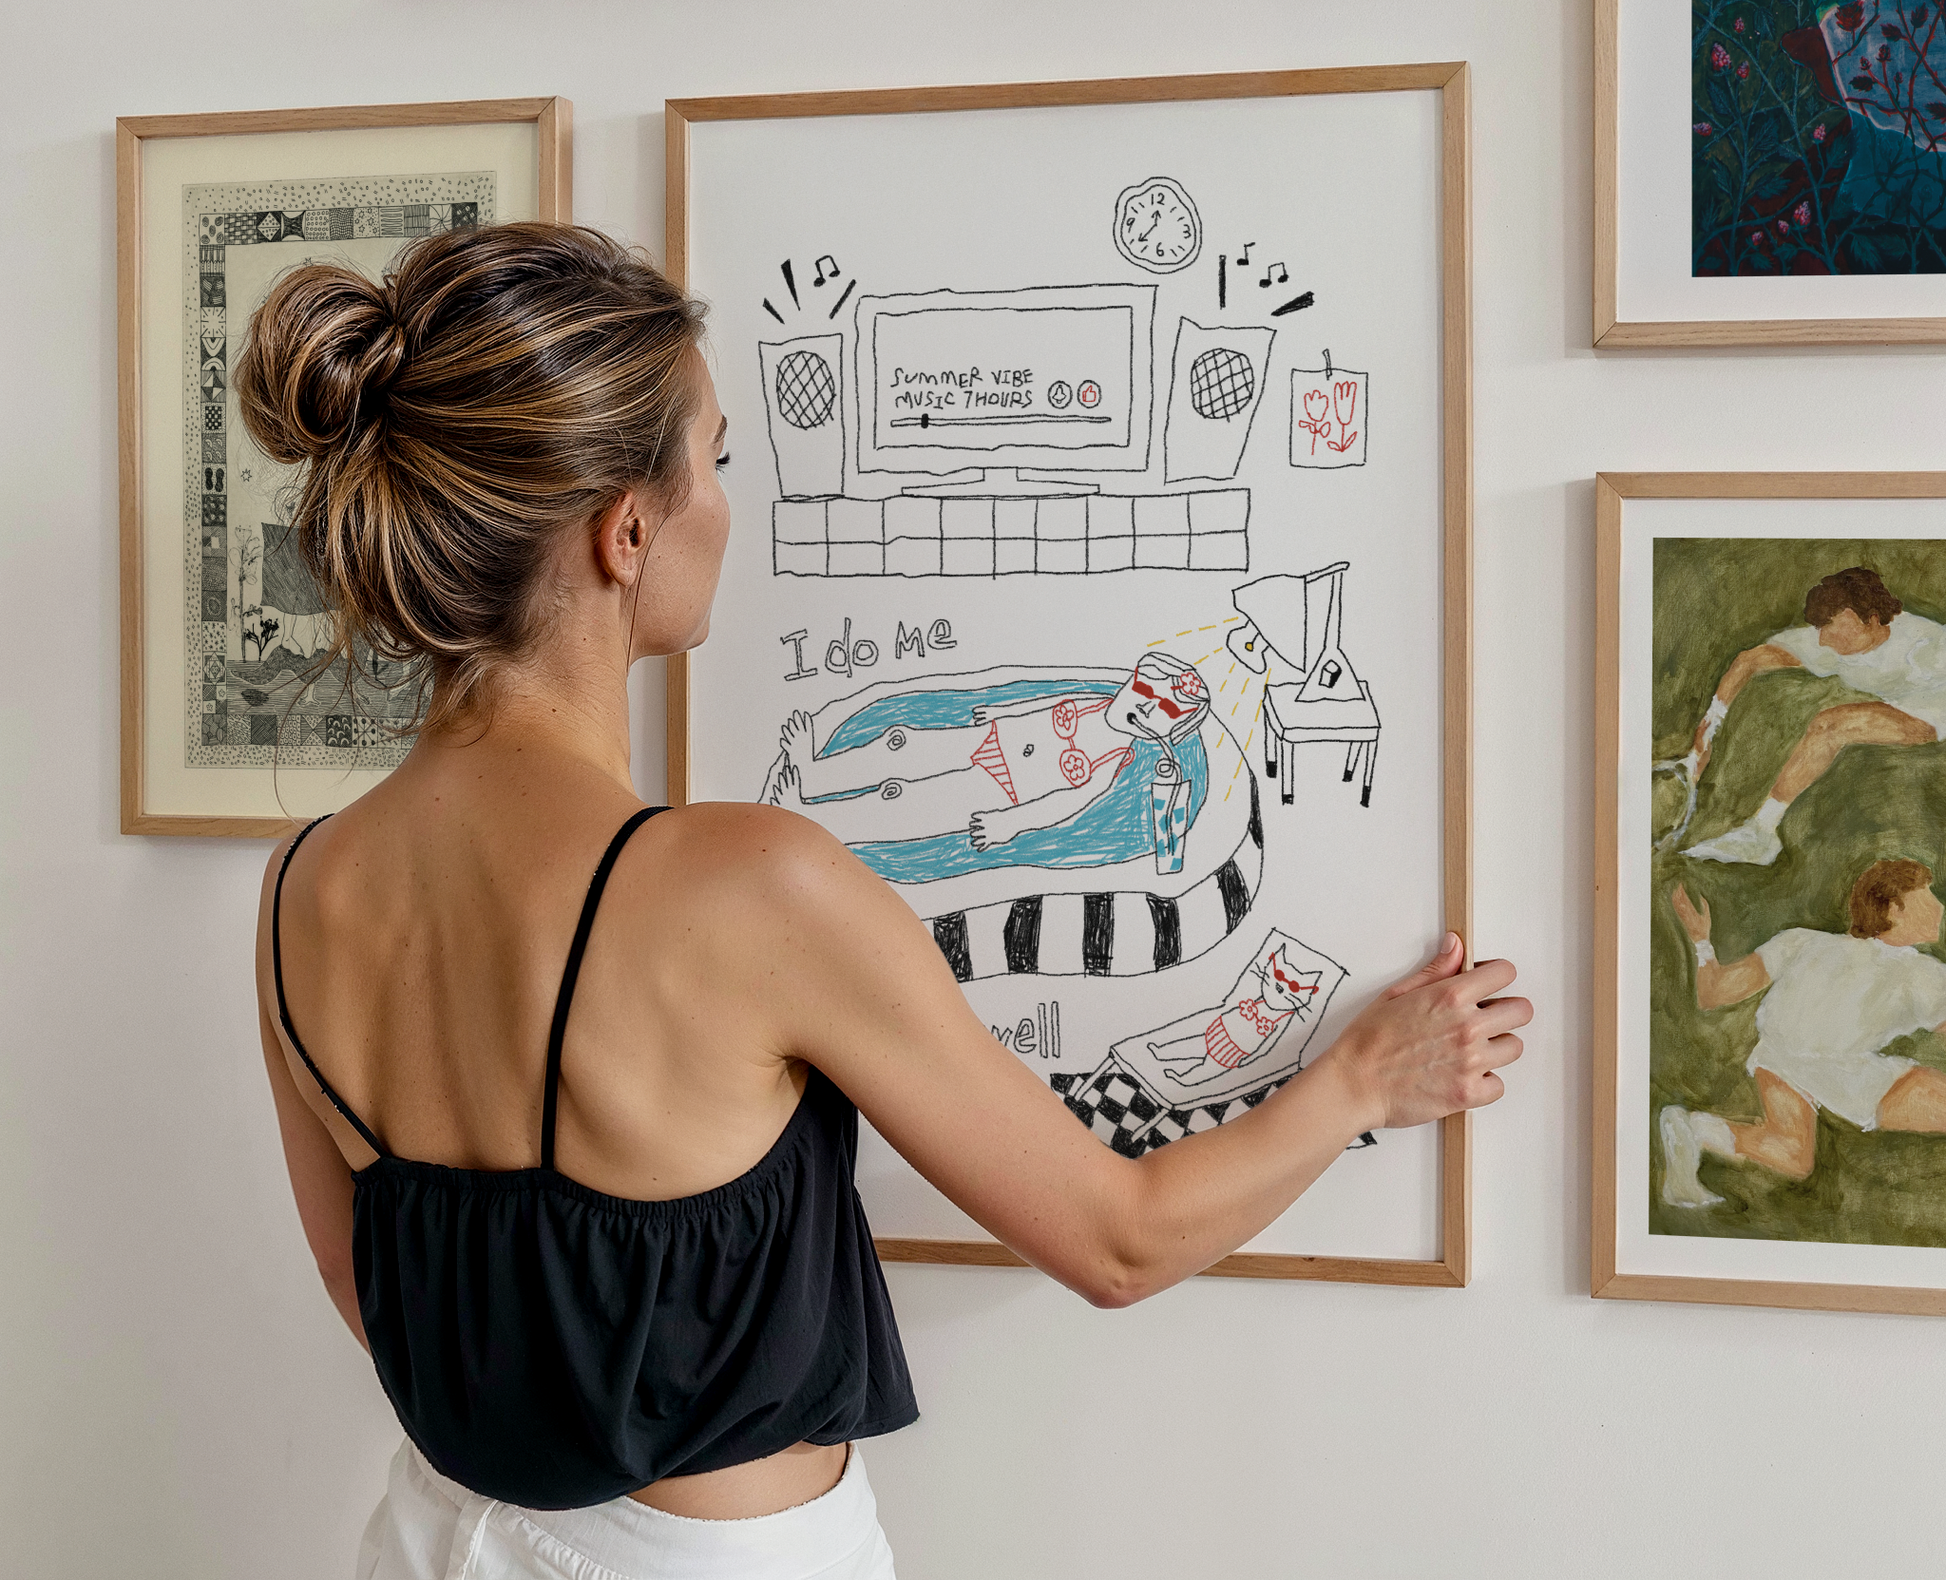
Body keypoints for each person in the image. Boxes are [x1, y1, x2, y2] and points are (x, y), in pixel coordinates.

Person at [239, 224, 1530, 1580]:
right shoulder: (750, 885)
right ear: (626, 530)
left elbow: (364, 1288)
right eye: (716, 460)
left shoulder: (301, 885)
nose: (726, 503)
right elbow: (1119, 1238)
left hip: (430, 1536)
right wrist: (1362, 1079)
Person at [1659, 863, 1946, 1208]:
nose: (1939, 907)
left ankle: (1693, 1129)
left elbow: (1714, 993)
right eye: (1927, 897)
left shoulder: (1801, 940)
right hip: (1841, 1070)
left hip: (1778, 1058)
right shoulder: (1921, 973)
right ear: (1895, 909)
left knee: (1792, 1152)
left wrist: (1701, 941)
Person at [765, 653, 1209, 850]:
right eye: (1143, 690)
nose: (1145, 707)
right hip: (992, 737)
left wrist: (1007, 825)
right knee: (901, 742)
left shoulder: (1111, 763)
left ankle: (811, 821)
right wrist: (1001, 709)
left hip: (1003, 789)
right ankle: (816, 775)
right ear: (1130, 682)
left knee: (907, 801)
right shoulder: (1091, 700)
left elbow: (1062, 806)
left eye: (1162, 711)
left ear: (1165, 733)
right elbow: (1043, 704)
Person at [1679, 566, 1946, 866]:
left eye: (1834, 627)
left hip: (1935, 709)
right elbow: (1748, 661)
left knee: (1829, 724)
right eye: (1822, 628)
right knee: (1828, 721)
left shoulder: (1928, 645)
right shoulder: (1828, 643)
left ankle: (1761, 833)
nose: (1822, 640)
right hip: (1901, 700)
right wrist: (1708, 730)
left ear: (1871, 620)